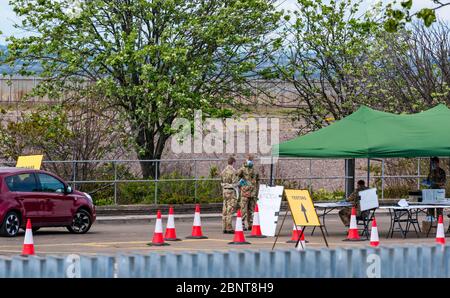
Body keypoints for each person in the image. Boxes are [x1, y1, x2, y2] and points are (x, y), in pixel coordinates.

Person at [236, 154, 259, 230]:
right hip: (245, 192)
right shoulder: (242, 169)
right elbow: (237, 176)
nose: (250, 161)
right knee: (243, 208)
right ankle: (242, 224)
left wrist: (256, 190)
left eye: (251, 160)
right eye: (249, 160)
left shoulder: (254, 169)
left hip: (252, 192)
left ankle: (251, 224)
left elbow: (258, 179)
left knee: (251, 209)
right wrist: (241, 184)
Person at [220, 156, 239, 234]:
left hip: (225, 190)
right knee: (230, 210)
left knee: (225, 208)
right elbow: (234, 183)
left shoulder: (223, 171)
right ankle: (229, 227)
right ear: (233, 163)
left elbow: (221, 180)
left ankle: (224, 227)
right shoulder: (233, 171)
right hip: (231, 191)